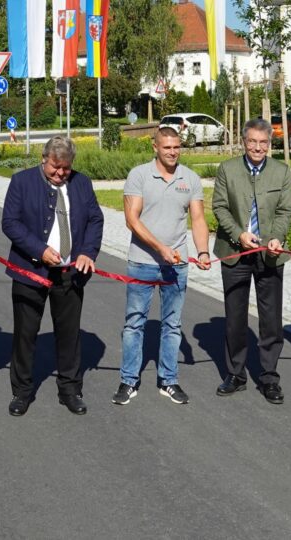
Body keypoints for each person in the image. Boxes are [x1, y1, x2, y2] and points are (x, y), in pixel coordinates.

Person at [2, 136, 104, 416]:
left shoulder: (82, 183)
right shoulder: (21, 182)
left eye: (66, 168)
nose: (60, 173)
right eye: (55, 168)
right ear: (43, 159)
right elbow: (10, 223)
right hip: (30, 271)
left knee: (69, 334)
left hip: (70, 274)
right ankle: (22, 392)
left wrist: (88, 252)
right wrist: (39, 250)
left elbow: (95, 219)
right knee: (25, 334)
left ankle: (70, 389)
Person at [112, 127, 211, 406]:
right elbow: (132, 220)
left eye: (176, 147)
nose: (172, 152)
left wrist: (203, 251)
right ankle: (128, 381)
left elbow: (198, 219)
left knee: (173, 325)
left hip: (176, 265)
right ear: (155, 147)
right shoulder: (139, 175)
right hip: (142, 262)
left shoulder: (189, 178)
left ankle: (168, 380)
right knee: (134, 324)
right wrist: (160, 248)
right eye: (167, 147)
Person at [212, 118, 291, 404]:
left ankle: (269, 377)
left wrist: (276, 237)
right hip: (235, 251)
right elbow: (219, 207)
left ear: (269, 144)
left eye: (263, 143)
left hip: (270, 254)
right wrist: (239, 234)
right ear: (244, 142)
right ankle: (236, 374)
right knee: (235, 318)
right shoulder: (227, 169)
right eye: (252, 142)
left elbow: (285, 211)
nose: (258, 148)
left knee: (271, 320)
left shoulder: (281, 171)